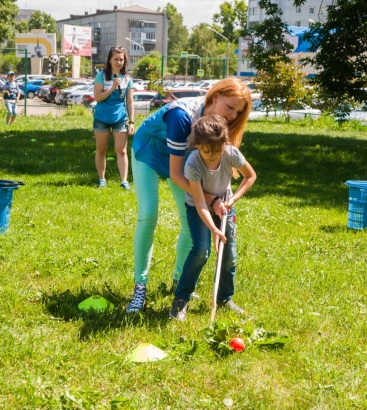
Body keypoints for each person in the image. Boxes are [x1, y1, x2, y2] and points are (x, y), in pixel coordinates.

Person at [126, 77, 252, 313]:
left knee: (188, 220)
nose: (233, 115)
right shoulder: (182, 117)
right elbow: (176, 175)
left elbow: (219, 170)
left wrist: (222, 201)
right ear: (216, 97)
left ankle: (178, 280)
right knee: (149, 215)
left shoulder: (217, 126)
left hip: (181, 158)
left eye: (239, 111)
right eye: (230, 107)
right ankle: (139, 287)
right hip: (150, 150)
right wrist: (212, 200)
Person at [169, 115, 256, 320]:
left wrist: (232, 199)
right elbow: (200, 202)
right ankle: (181, 299)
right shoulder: (193, 163)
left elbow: (250, 176)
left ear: (224, 144)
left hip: (225, 206)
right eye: (206, 151)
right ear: (197, 145)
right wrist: (214, 229)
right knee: (201, 251)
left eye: (217, 151)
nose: (212, 157)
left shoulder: (230, 153)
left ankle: (225, 298)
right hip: (198, 207)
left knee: (229, 256)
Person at [92, 46, 135, 190]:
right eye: (116, 59)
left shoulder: (127, 79)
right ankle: (102, 179)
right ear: (109, 60)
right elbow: (97, 98)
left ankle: (124, 181)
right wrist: (111, 89)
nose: (119, 62)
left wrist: (131, 121)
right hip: (101, 118)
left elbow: (129, 102)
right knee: (101, 149)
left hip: (120, 118)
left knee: (121, 150)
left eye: (121, 59)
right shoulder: (101, 76)